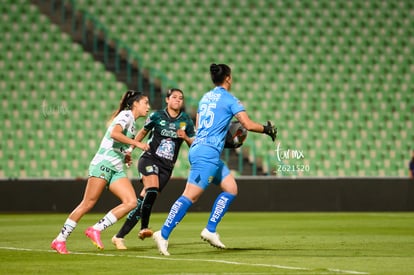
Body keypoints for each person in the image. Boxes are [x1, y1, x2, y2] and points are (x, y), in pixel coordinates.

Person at [152, 63, 277, 256]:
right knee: (190, 196)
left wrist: (222, 139)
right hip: (207, 153)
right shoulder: (230, 99)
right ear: (228, 78)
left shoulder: (205, 98)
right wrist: (267, 129)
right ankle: (163, 233)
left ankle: (210, 230)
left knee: (231, 188)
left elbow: (201, 126)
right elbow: (248, 125)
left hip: (201, 147)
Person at [50, 90, 150, 254]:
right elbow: (114, 134)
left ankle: (95, 229)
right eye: (145, 102)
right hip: (103, 164)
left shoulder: (132, 122)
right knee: (87, 203)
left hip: (116, 167)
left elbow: (117, 142)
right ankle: (59, 240)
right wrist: (136, 144)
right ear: (136, 103)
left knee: (131, 202)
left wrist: (125, 154)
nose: (148, 106)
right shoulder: (126, 115)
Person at [111, 88, 196, 250]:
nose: (178, 100)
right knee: (152, 188)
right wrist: (129, 150)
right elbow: (143, 132)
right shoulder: (157, 116)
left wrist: (185, 137)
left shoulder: (185, 120)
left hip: (166, 167)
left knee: (142, 201)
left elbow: (194, 143)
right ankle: (144, 227)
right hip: (149, 158)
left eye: (181, 98)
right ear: (167, 100)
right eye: (175, 97)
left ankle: (119, 236)